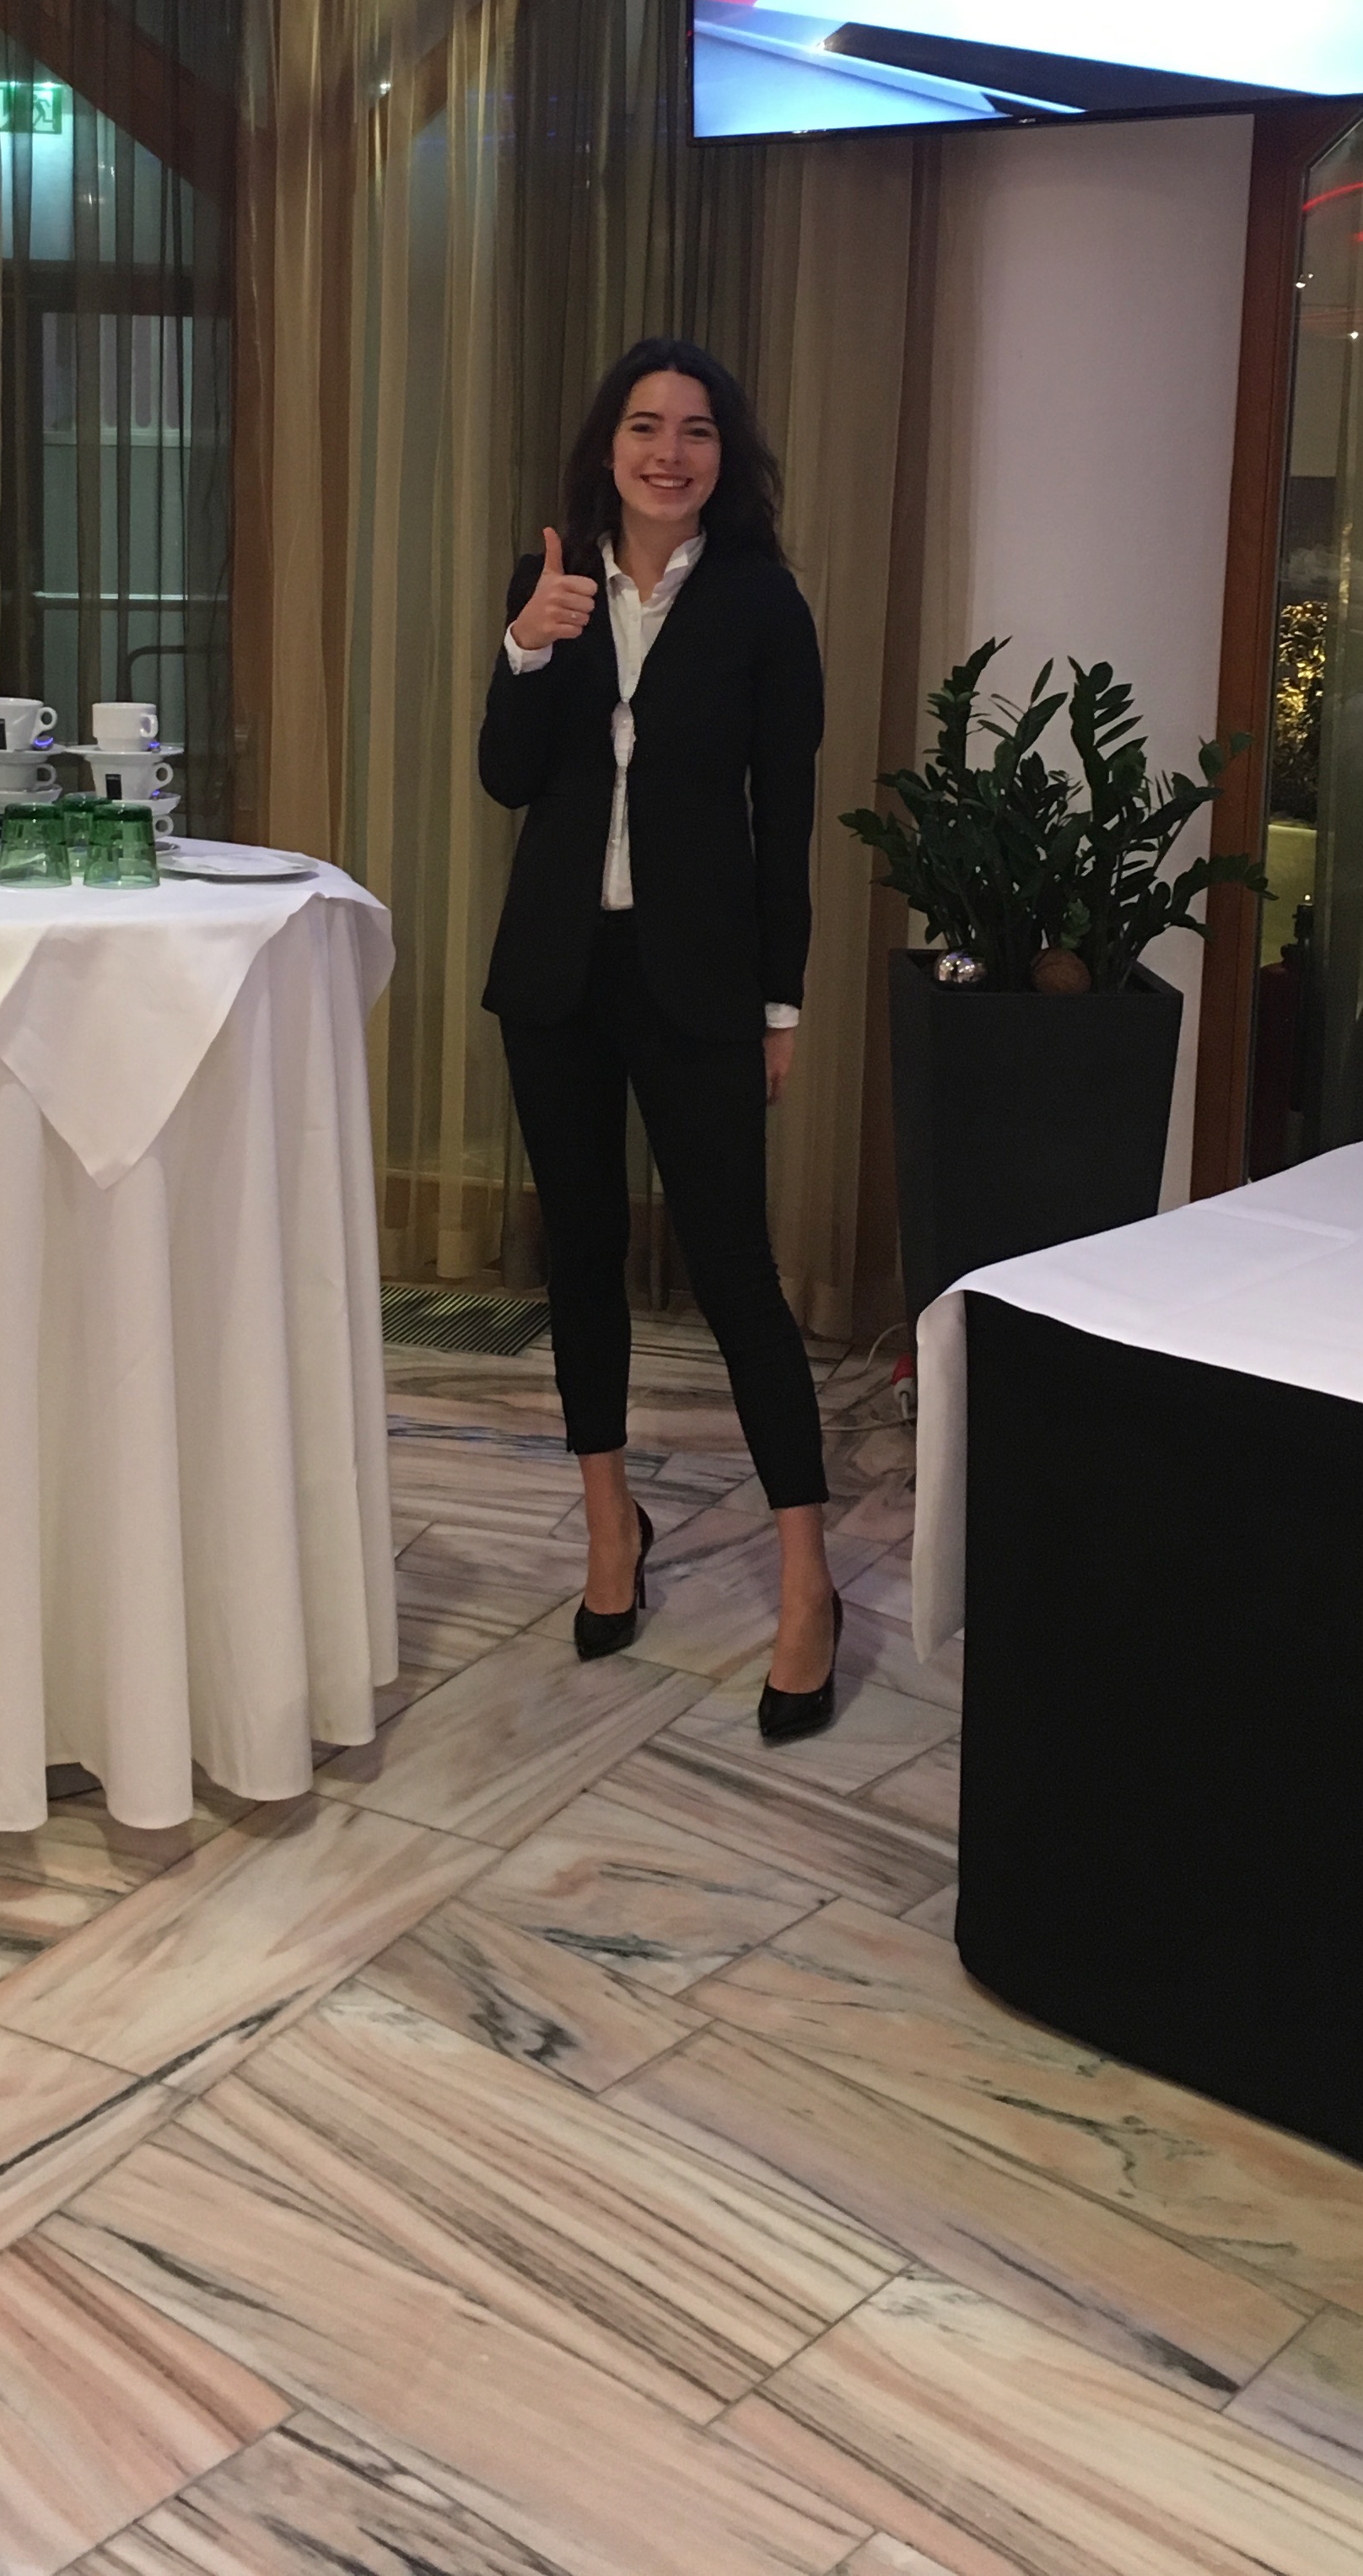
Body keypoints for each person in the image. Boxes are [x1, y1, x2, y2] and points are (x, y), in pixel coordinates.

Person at [479, 337, 839, 1740]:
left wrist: (779, 1005)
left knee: (735, 1270)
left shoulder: (762, 602)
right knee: (579, 1253)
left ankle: (806, 1581)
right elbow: (509, 778)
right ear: (609, 447)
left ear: (723, 456)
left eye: (695, 430)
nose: (668, 452)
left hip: (699, 983)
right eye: (644, 426)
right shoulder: (554, 584)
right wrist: (527, 647)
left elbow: (784, 819)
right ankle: (609, 1525)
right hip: (559, 975)